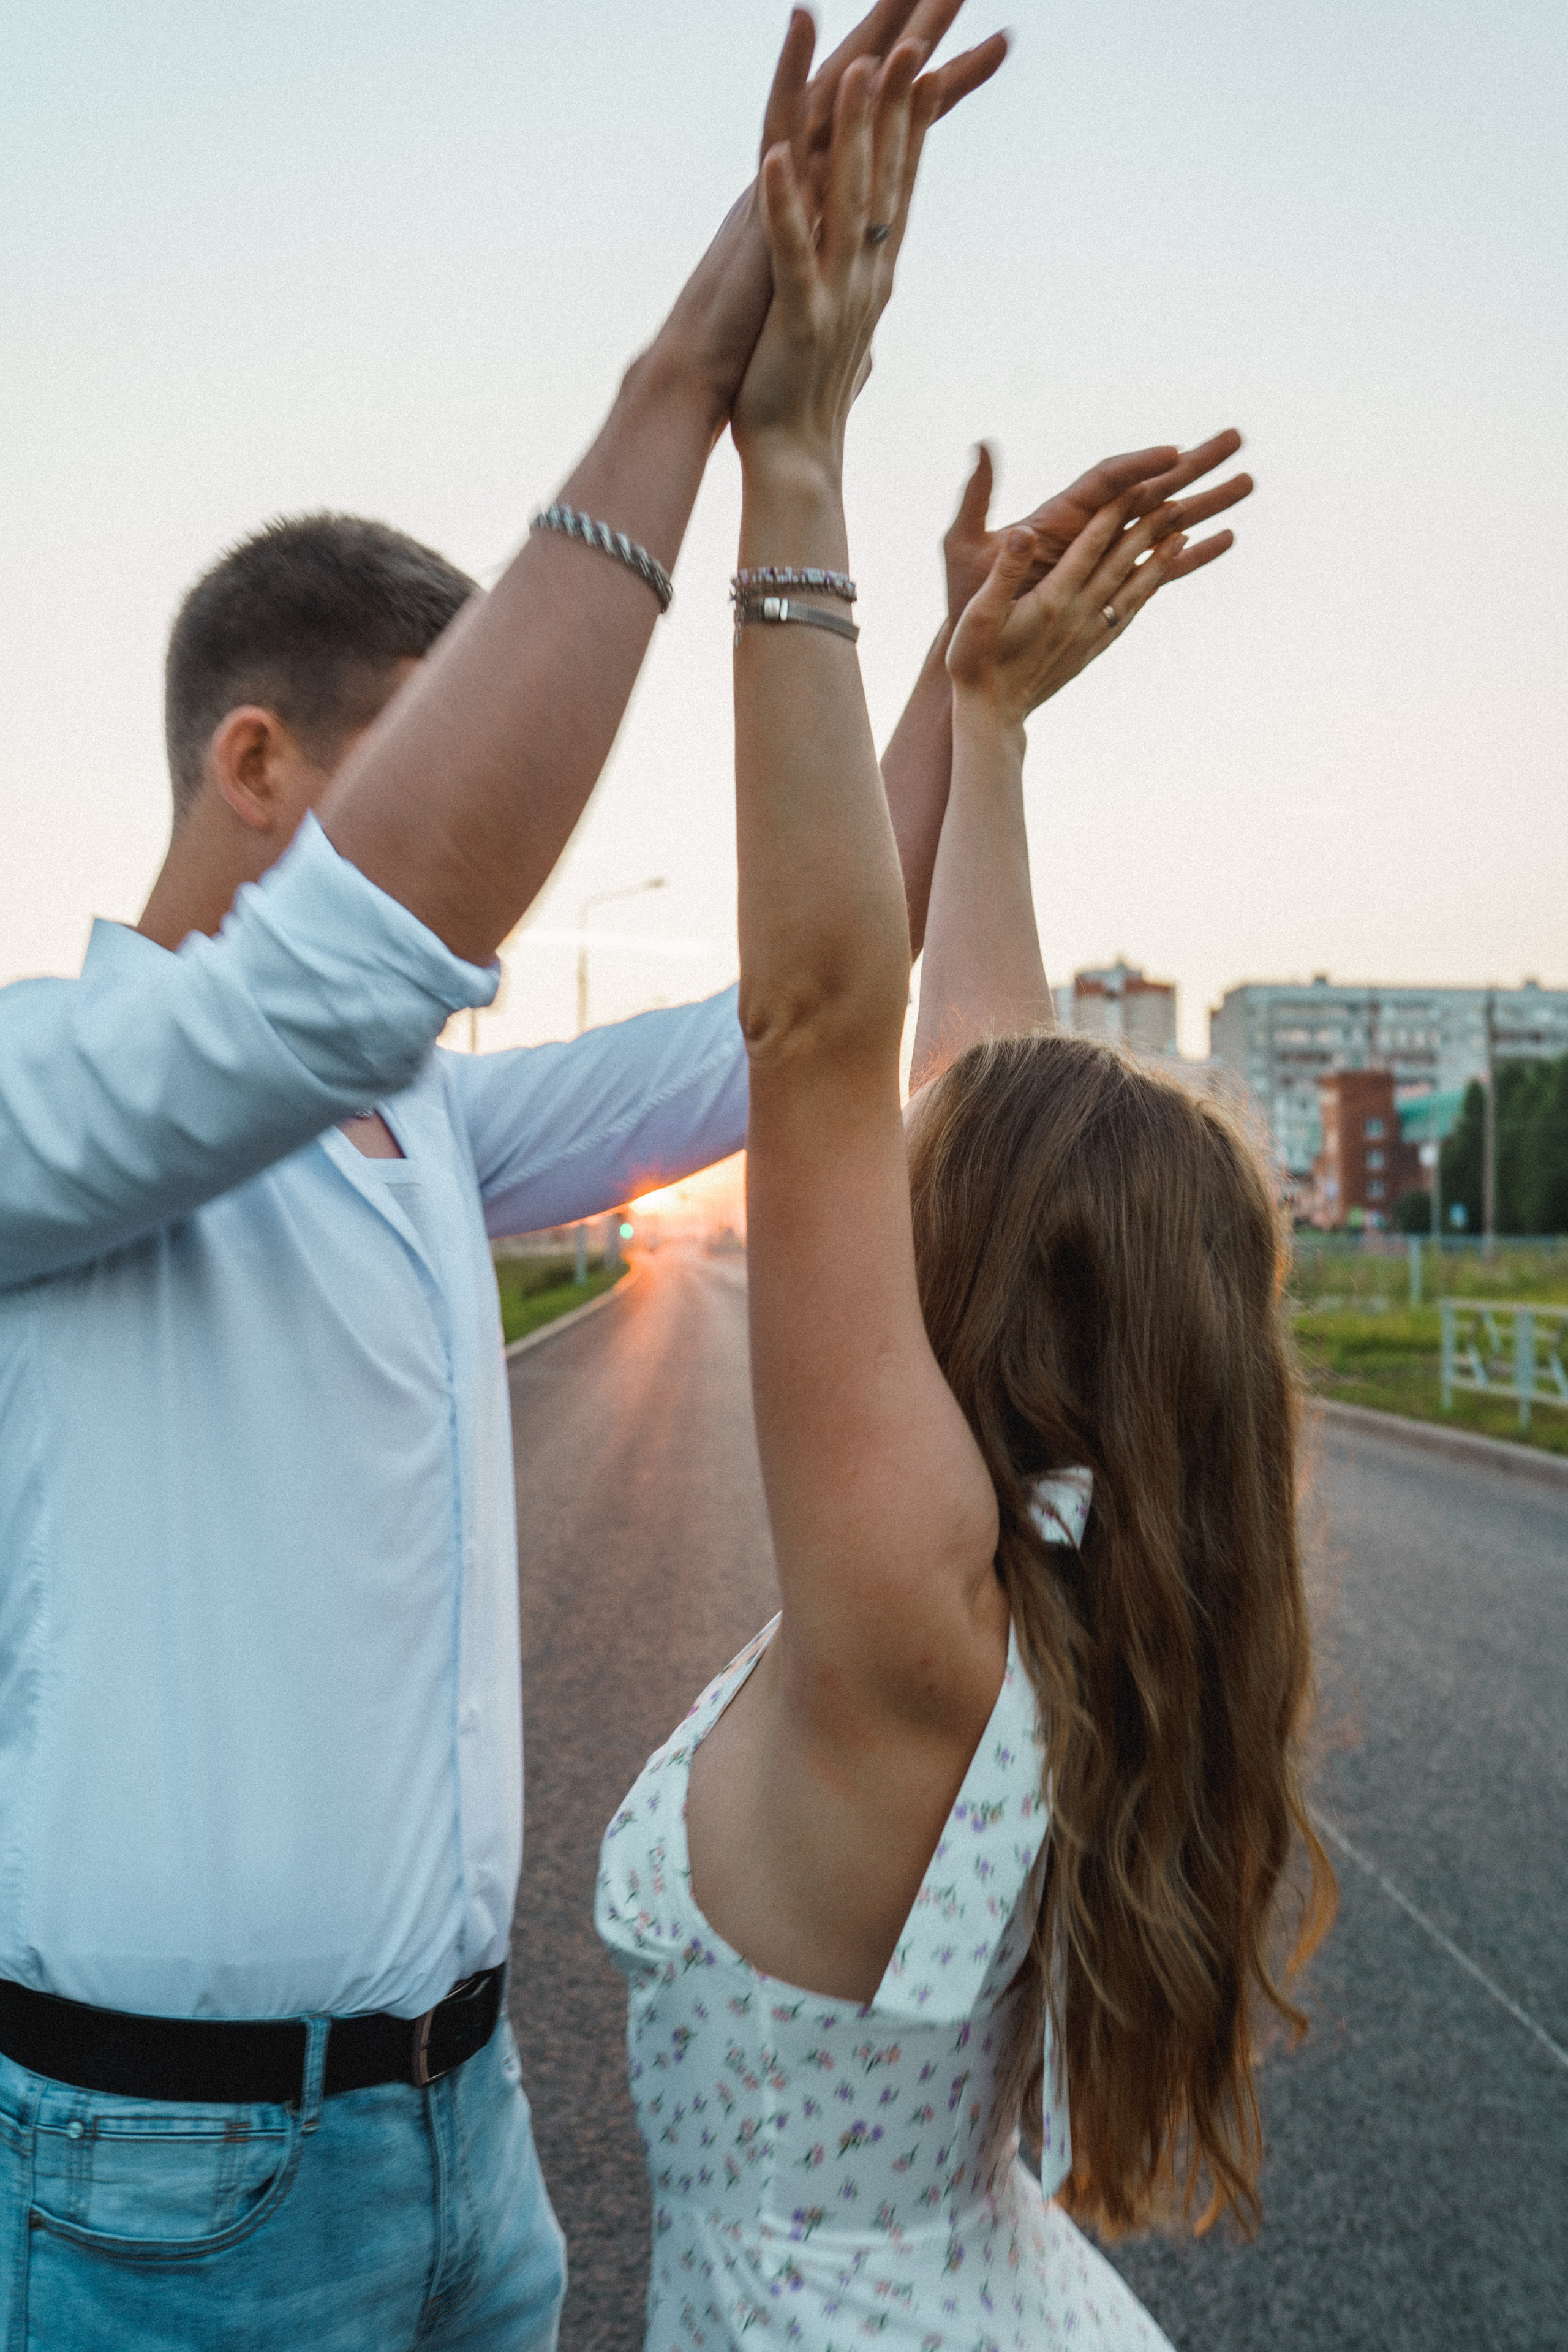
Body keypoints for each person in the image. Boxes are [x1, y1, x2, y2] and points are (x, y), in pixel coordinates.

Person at [0, 8, 1020, 2346]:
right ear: (256, 762)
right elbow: (325, 989)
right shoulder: (38, 1092)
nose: (499, 820)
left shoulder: (427, 1119)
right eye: (425, 763)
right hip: (169, 2183)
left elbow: (790, 1020)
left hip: (462, 2134)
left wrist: (962, 684)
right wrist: (691, 382)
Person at [595, 36, 1330, 2348]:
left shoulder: (920, 1604)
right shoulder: (1079, 1591)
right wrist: (983, 727)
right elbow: (963, 1061)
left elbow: (826, 1028)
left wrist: (787, 465)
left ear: (977, 1273)